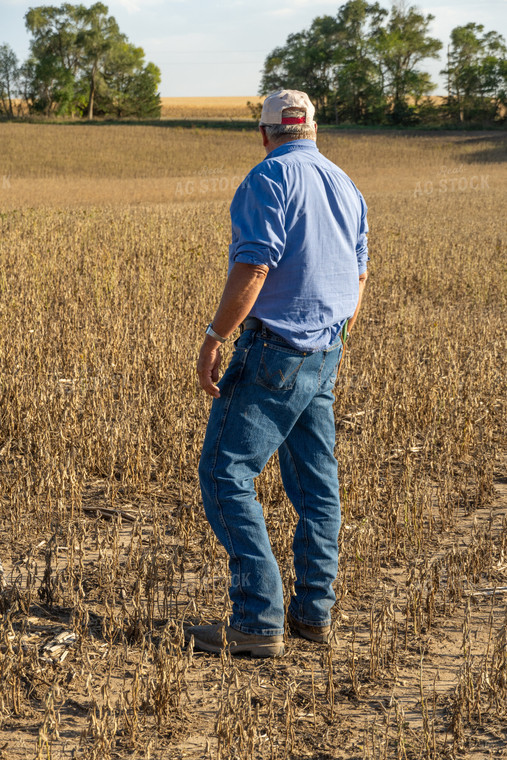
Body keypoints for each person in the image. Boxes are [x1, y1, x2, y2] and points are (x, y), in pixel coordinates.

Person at [186, 89, 369, 657]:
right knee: (318, 485)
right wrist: (327, 335)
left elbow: (256, 263)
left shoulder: (268, 179)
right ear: (313, 129)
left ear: (265, 134)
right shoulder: (346, 184)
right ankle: (314, 614)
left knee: (224, 473)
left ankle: (258, 620)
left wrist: (215, 337)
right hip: (326, 349)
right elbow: (360, 274)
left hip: (275, 351)